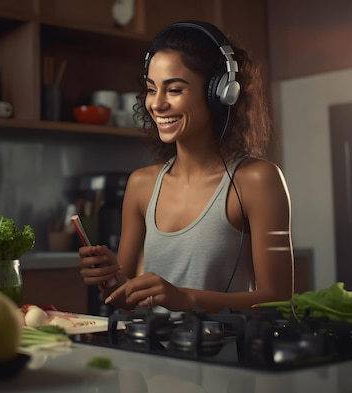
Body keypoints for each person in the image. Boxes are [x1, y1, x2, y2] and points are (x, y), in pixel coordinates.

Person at [78, 21, 294, 314]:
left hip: (229, 356)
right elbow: (125, 299)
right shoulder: (141, 184)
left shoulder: (257, 180)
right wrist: (109, 279)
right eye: (152, 90)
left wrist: (186, 298)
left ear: (220, 92)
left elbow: (278, 298)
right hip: (155, 355)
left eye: (174, 89)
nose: (157, 104)